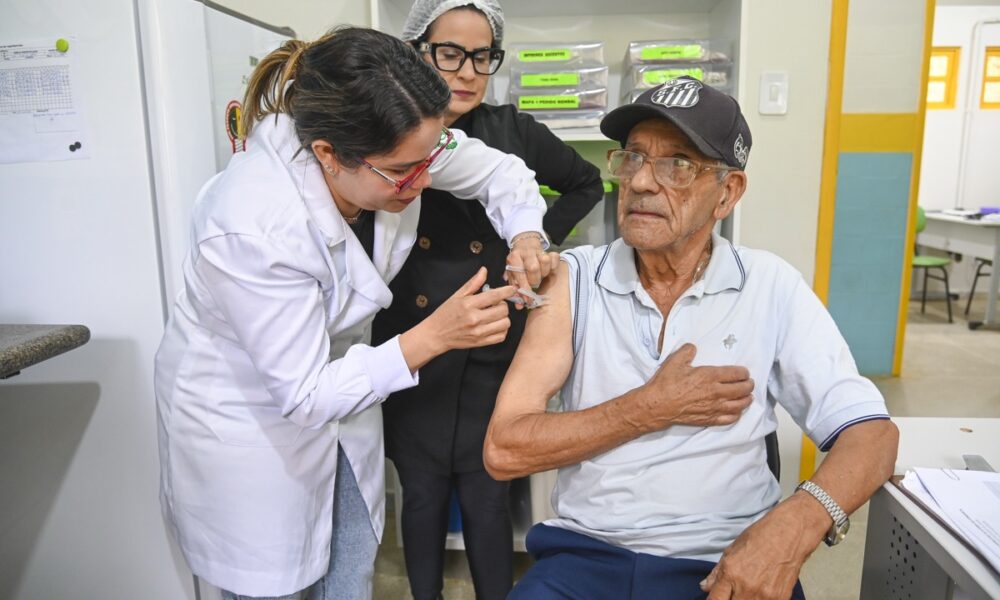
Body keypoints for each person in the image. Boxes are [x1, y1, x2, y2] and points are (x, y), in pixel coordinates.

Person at [154, 26, 558, 600]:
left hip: (344, 396)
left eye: (431, 157)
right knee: (276, 586)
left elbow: (500, 172)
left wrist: (525, 235)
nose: (424, 181)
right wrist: (436, 335)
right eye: (405, 171)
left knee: (349, 570)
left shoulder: (397, 146)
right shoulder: (253, 224)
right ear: (328, 155)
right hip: (251, 424)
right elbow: (304, 395)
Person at [483, 77, 900, 600]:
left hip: (724, 560)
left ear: (728, 192)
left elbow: (872, 436)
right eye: (633, 158)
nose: (640, 182)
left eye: (677, 164)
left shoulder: (770, 285)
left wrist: (796, 524)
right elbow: (504, 448)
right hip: (586, 557)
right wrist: (648, 408)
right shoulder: (574, 278)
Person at [370, 2, 604, 599]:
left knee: (487, 490)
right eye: (450, 54)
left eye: (482, 57)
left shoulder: (512, 131)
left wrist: (532, 241)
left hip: (493, 337)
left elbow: (585, 182)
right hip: (414, 337)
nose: (468, 72)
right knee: (420, 493)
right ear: (417, 52)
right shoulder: (386, 126)